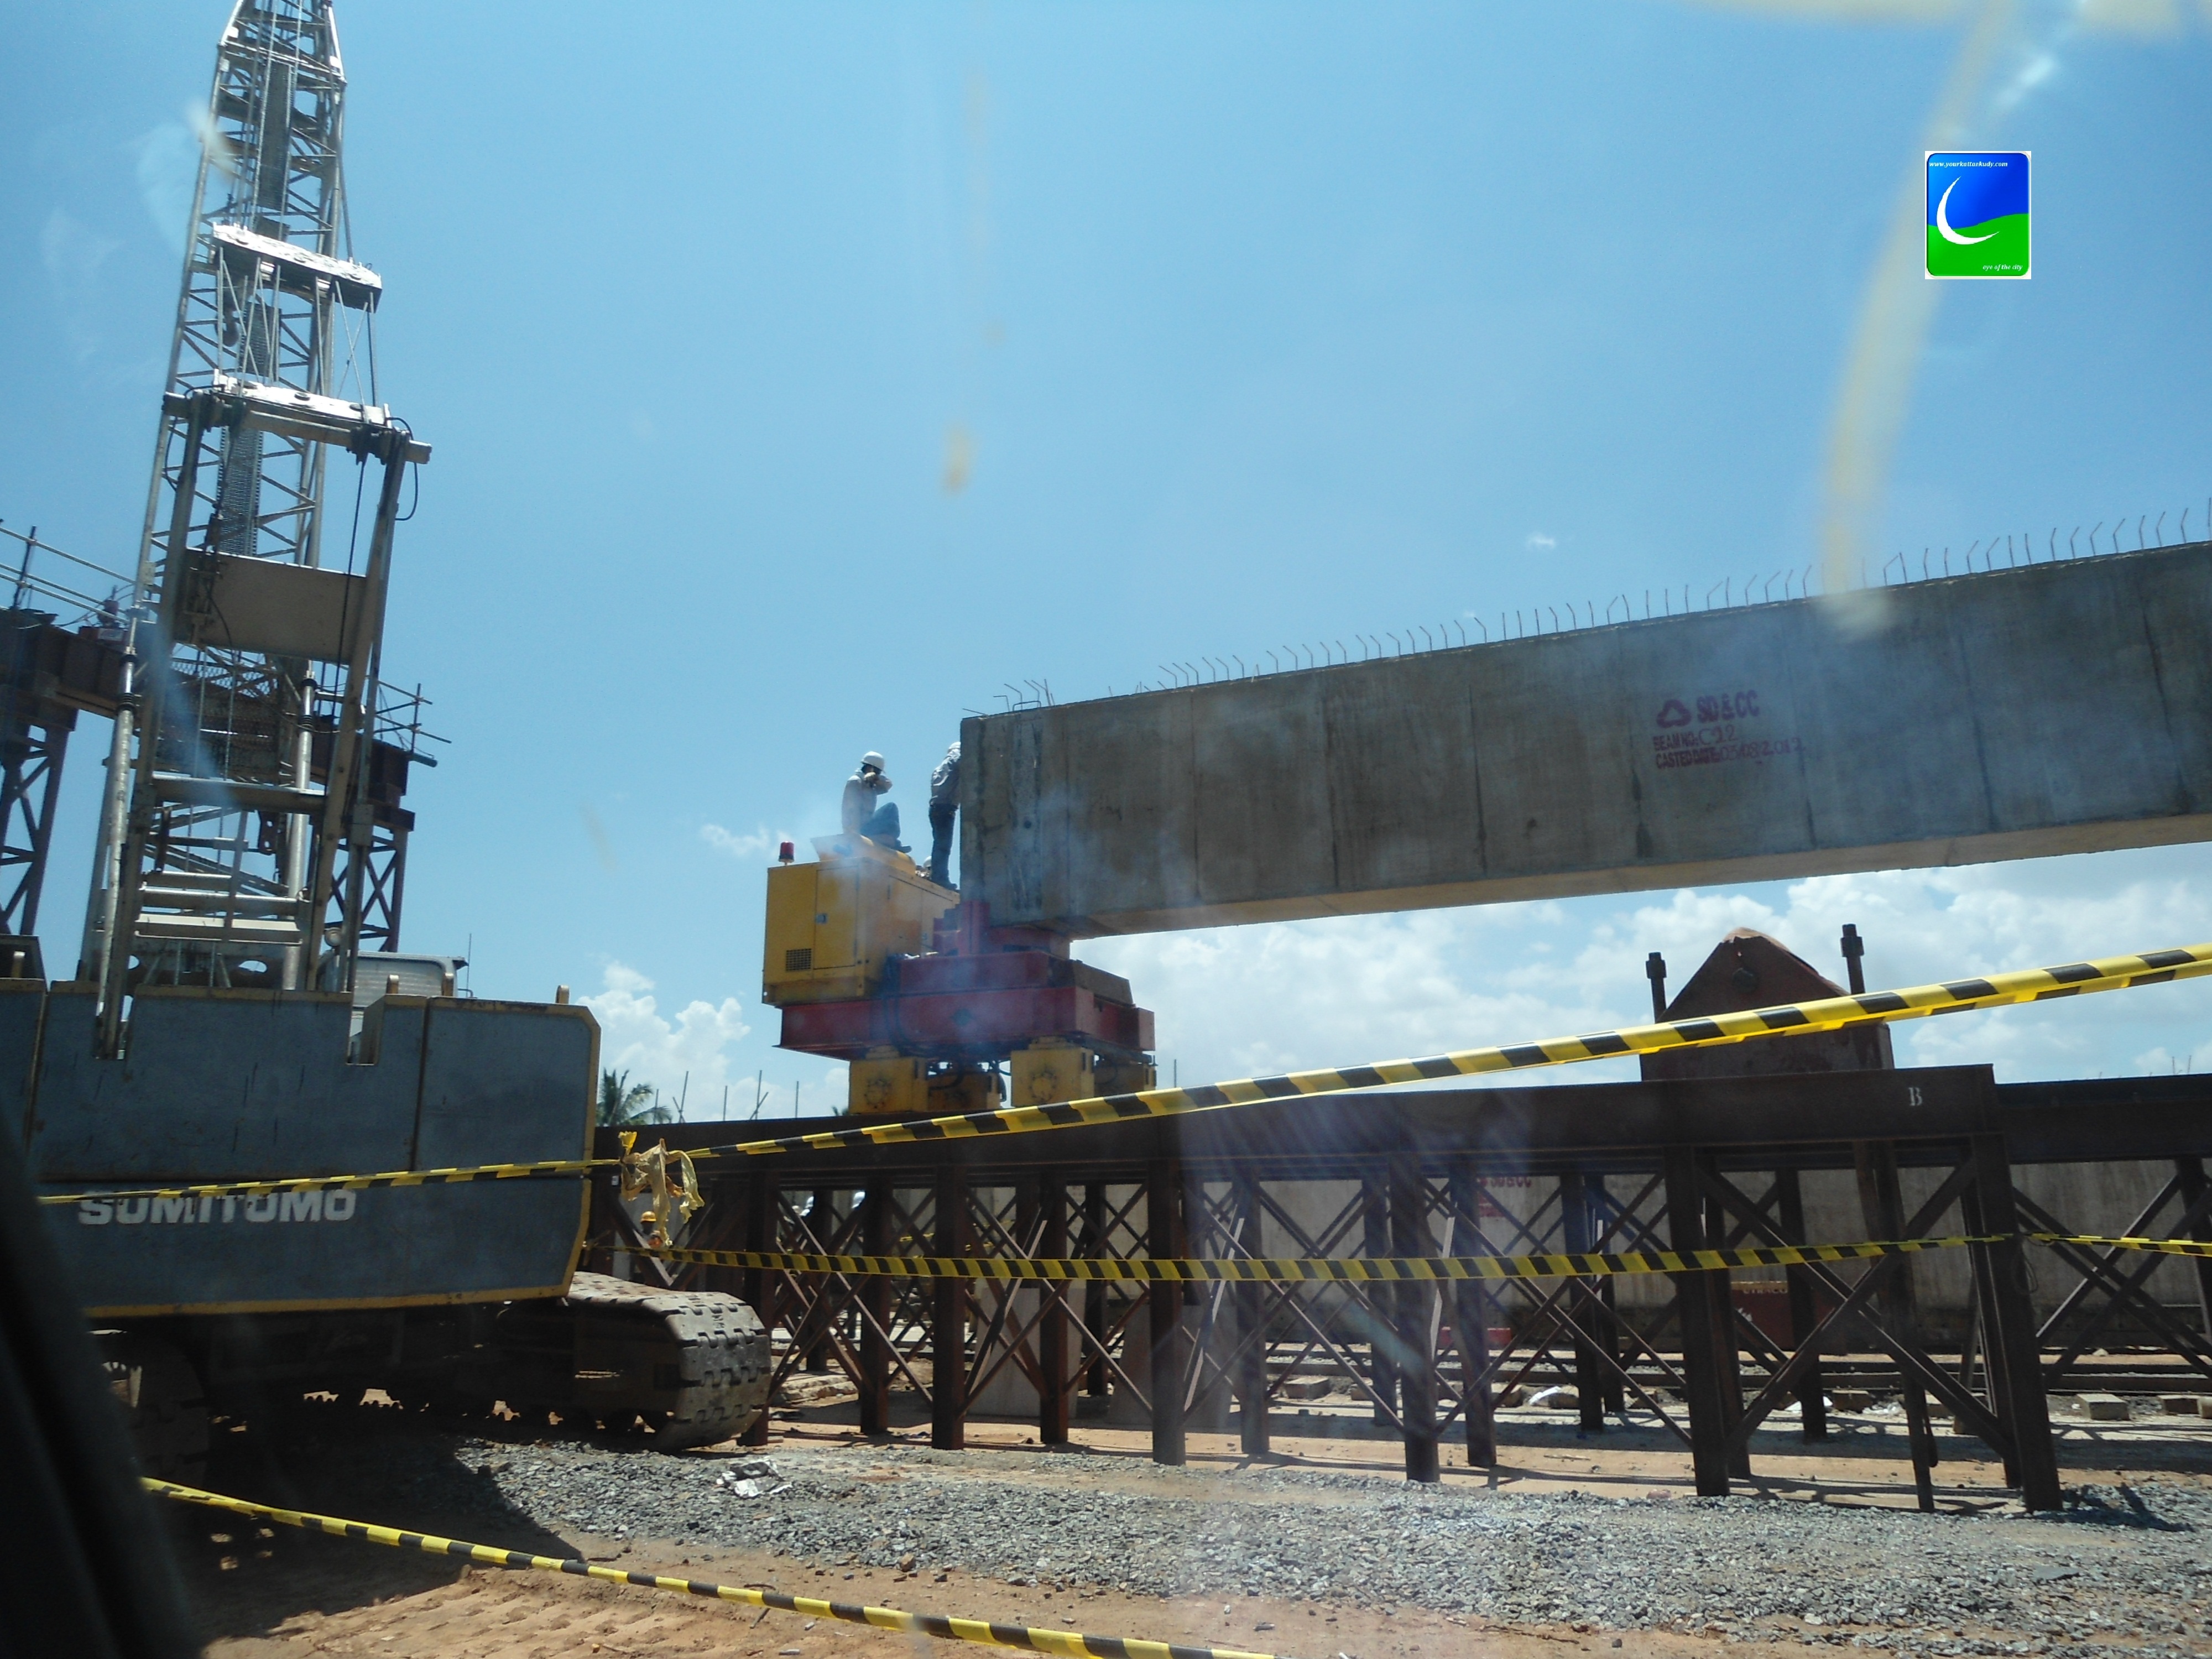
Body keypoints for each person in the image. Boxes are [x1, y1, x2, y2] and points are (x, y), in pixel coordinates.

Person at [841, 751, 905, 849]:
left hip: (868, 826)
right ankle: (888, 841)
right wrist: (853, 835)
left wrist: (876, 778)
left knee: (891, 812)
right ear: (870, 768)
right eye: (878, 772)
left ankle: (890, 841)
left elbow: (888, 785)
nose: (879, 774)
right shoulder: (855, 782)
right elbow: (851, 810)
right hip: (859, 829)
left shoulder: (871, 785)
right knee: (890, 808)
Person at [927, 740, 960, 887]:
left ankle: (940, 876)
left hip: (937, 808)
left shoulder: (940, 768)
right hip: (945, 808)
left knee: (941, 844)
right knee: (944, 846)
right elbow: (961, 760)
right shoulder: (955, 757)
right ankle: (940, 878)